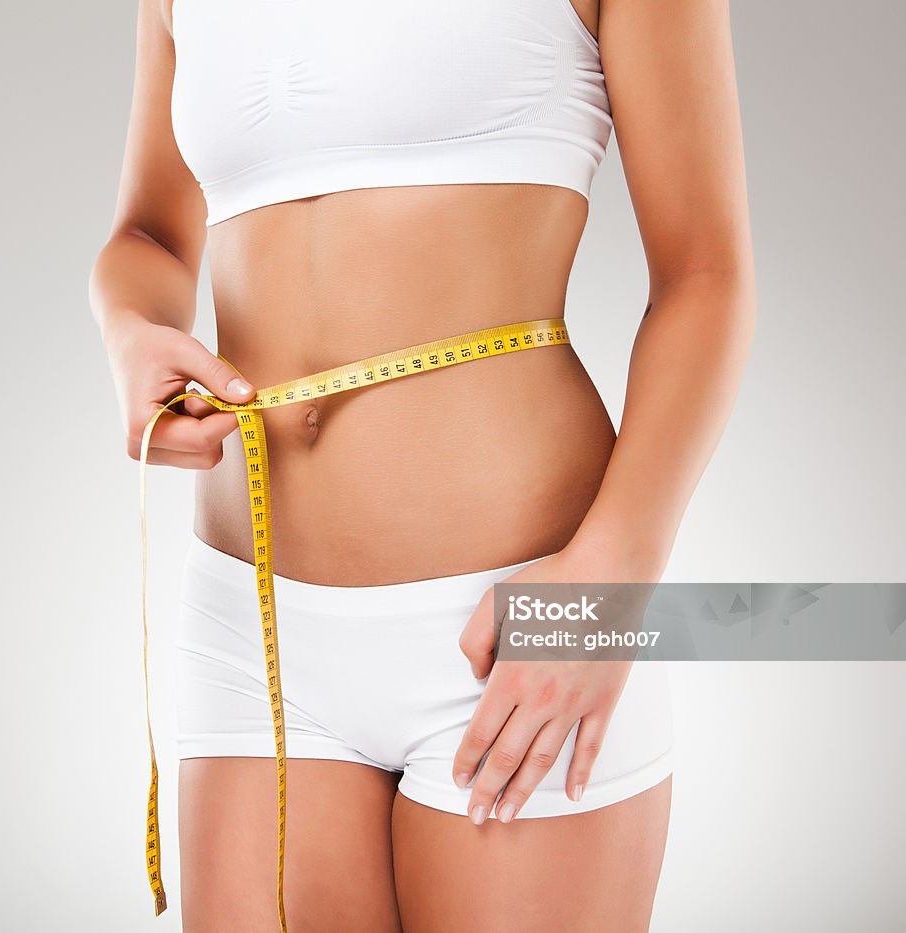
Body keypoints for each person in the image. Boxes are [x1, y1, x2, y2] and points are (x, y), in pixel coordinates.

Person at [89, 0, 755, 929]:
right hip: (250, 627)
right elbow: (150, 236)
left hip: (514, 618)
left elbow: (705, 274)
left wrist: (612, 577)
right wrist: (134, 337)